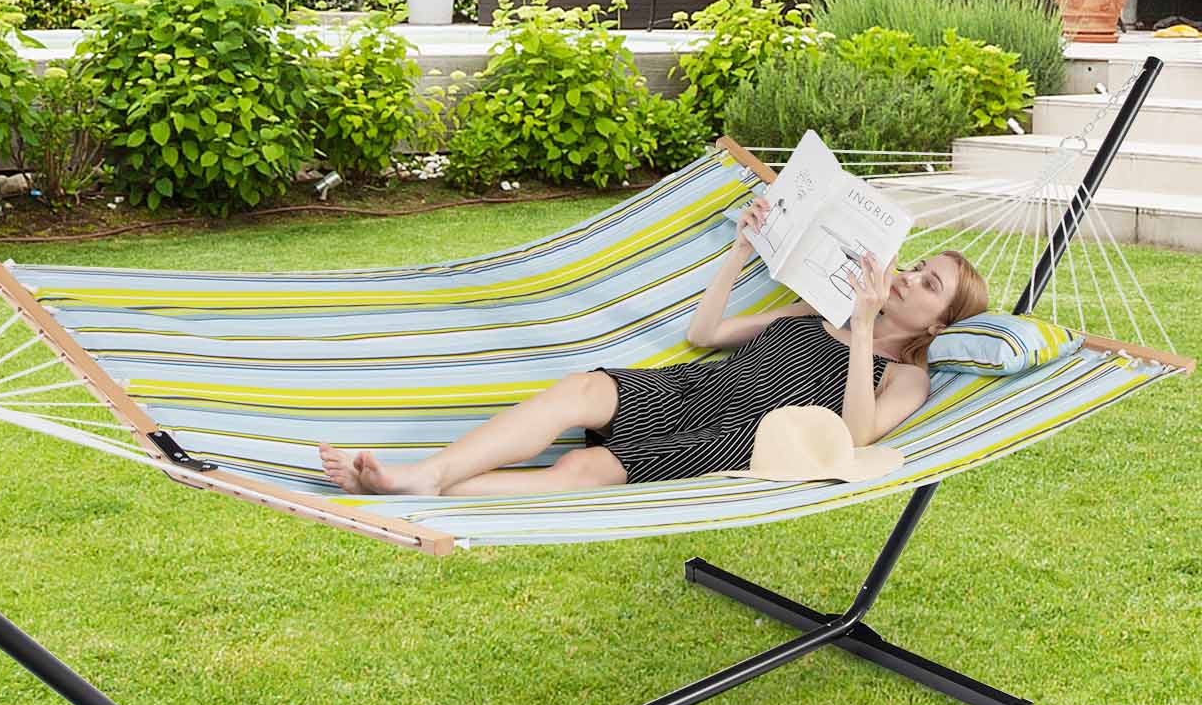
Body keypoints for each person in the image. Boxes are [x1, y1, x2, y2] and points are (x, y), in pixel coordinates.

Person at [319, 192, 989, 498]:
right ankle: (428, 473)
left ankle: (421, 484)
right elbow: (705, 335)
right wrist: (740, 251)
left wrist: (866, 326)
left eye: (928, 284)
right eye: (916, 266)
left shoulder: (904, 373)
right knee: (583, 388)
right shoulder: (815, 311)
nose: (908, 277)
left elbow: (858, 437)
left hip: (735, 436)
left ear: (939, 324)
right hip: (693, 389)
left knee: (581, 471)